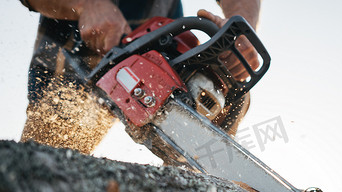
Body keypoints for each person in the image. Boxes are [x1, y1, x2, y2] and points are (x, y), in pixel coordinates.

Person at [19, 0, 261, 154]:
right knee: (48, 157)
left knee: (227, 85)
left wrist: (241, 30)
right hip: (73, 56)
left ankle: (202, 182)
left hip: (157, 49)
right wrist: (86, 4)